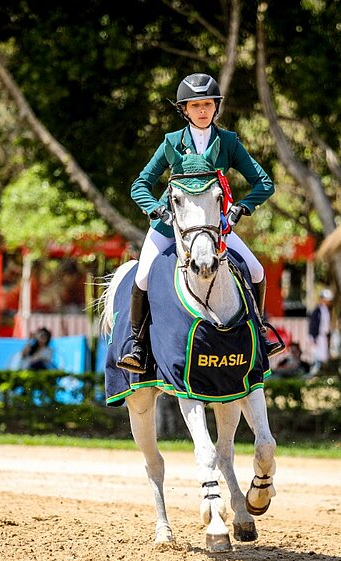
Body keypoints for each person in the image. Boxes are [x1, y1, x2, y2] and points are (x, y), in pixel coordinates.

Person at [117, 72, 276, 373]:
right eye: (194, 105)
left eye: (207, 104)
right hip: (171, 226)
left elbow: (263, 183)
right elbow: (140, 185)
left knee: (256, 269)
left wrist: (242, 207)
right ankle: (137, 347)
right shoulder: (171, 143)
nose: (202, 110)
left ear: (216, 107)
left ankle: (261, 333)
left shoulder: (228, 142)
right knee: (143, 276)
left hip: (215, 227)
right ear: (184, 110)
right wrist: (157, 210)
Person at [307, 288, 334, 376]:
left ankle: (321, 374)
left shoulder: (326, 310)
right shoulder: (317, 310)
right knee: (317, 356)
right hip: (318, 337)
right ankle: (313, 374)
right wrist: (314, 337)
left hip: (323, 337)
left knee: (323, 357)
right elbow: (313, 325)